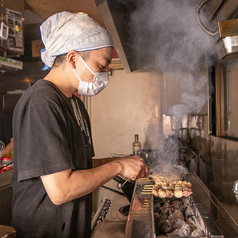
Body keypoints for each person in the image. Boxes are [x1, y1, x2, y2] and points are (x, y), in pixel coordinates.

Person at [11, 11, 148, 238]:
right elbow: (61, 190)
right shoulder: (41, 103)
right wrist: (119, 167)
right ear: (73, 58)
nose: (104, 74)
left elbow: (77, 166)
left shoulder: (74, 103)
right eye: (102, 66)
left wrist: (116, 161)